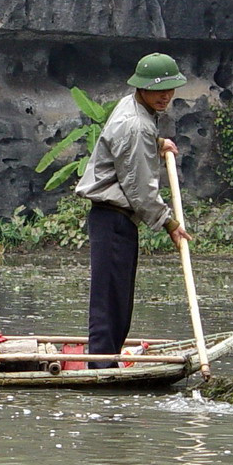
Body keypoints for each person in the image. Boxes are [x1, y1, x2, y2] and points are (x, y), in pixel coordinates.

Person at [75, 53, 193, 368]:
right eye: (158, 90)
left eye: (170, 89)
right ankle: (101, 367)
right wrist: (169, 223)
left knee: (117, 296)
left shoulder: (133, 108)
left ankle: (105, 361)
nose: (165, 96)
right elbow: (140, 189)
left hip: (115, 219)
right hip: (112, 217)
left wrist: (157, 143)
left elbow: (130, 146)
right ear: (141, 88)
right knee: (110, 299)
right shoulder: (136, 123)